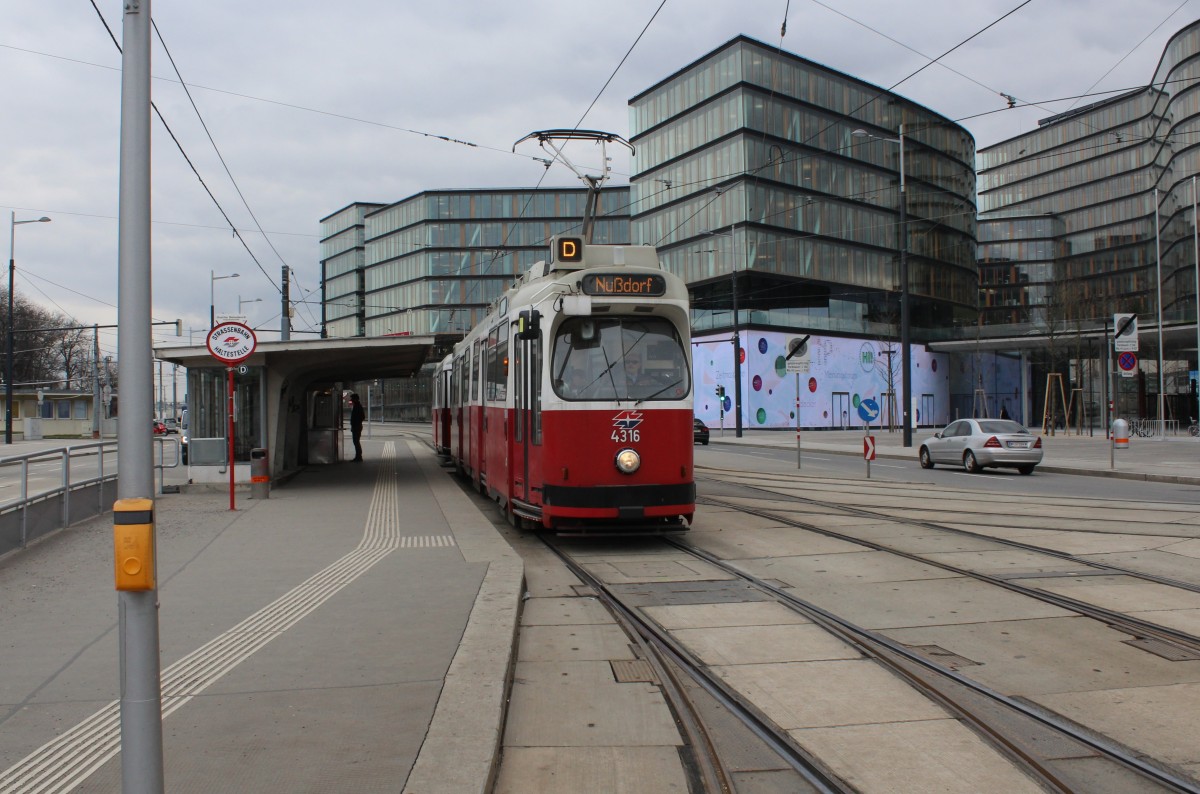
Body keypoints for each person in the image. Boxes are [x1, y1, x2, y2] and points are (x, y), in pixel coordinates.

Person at [349, 393, 365, 461]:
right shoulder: (356, 406)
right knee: (356, 441)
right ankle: (358, 456)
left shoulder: (358, 406)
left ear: (355, 399)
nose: (351, 400)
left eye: (352, 399)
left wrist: (356, 424)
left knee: (356, 441)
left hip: (357, 427)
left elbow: (362, 417)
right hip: (356, 426)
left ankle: (359, 457)